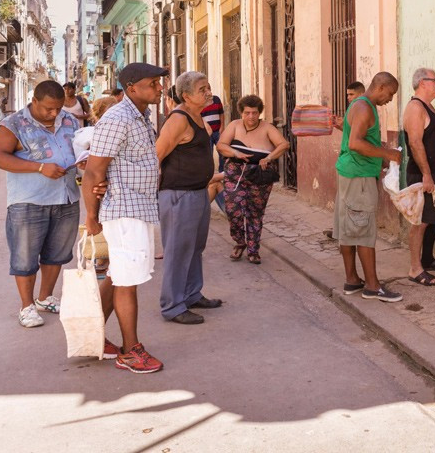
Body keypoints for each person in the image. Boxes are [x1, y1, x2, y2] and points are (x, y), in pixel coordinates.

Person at [82, 62, 168, 374]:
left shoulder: (140, 115)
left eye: (159, 83)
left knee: (121, 276)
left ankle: (95, 337)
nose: (160, 88)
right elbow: (93, 169)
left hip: (139, 205)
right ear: (132, 87)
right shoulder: (117, 118)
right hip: (124, 209)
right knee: (127, 282)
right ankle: (130, 351)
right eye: (153, 84)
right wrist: (92, 215)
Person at [0, 80, 80, 328]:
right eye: (48, 109)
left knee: (57, 254)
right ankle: (27, 306)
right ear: (35, 101)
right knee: (25, 257)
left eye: (59, 108)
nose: (54, 114)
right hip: (29, 202)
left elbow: (77, 149)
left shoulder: (70, 121)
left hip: (66, 197)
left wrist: (82, 162)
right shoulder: (13, 125)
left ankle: (45, 298)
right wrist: (40, 167)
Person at [155, 71, 222, 324]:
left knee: (195, 247)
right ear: (186, 95)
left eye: (208, 87)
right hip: (179, 196)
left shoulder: (197, 115)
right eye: (202, 89)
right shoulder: (178, 119)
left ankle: (192, 294)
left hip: (197, 192)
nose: (208, 92)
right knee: (178, 250)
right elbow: (157, 155)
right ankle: (173, 306)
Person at [336, 72, 403, 302]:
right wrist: (388, 154)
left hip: (350, 173)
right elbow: (355, 143)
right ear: (381, 87)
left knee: (349, 228)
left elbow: (363, 141)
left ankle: (352, 279)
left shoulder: (360, 105)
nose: (390, 100)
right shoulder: (364, 107)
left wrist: (382, 157)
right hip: (360, 176)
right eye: (391, 94)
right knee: (363, 231)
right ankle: (372, 286)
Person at [217, 95, 289, 264]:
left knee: (255, 213)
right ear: (241, 113)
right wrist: (236, 153)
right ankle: (239, 241)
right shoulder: (234, 125)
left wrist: (269, 158)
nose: (251, 117)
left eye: (254, 113)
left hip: (260, 173)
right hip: (235, 172)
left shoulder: (267, 127)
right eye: (247, 113)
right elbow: (221, 145)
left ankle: (253, 250)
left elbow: (284, 144)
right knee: (233, 209)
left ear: (259, 113)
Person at [401, 68, 435, 287]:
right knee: (421, 221)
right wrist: (426, 175)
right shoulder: (415, 108)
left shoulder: (429, 107)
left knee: (433, 219)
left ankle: (427, 259)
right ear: (423, 83)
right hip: (425, 175)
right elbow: (415, 143)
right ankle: (415, 269)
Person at [201, 92, 226, 169]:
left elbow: (221, 113)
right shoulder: (200, 103)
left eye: (208, 88)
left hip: (218, 131)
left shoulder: (216, 99)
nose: (207, 91)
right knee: (208, 154)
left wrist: (222, 127)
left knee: (222, 152)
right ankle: (209, 173)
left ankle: (222, 171)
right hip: (206, 133)